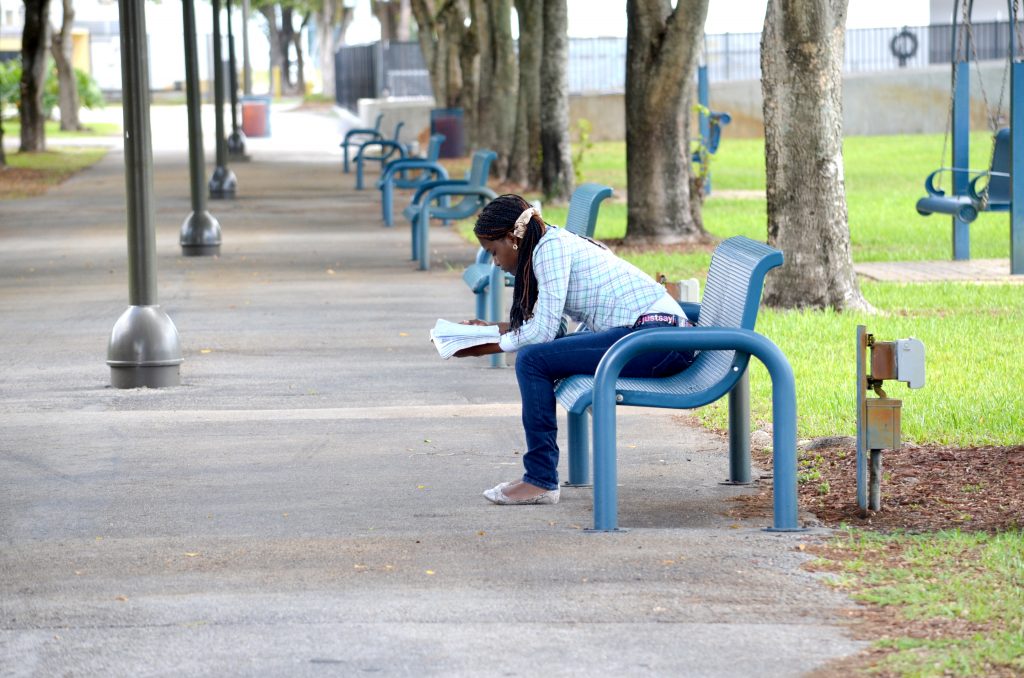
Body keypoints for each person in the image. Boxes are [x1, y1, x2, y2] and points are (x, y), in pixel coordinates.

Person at [453, 194, 695, 505]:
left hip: (655, 341)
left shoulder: (549, 249)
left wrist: (487, 347)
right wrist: (489, 329)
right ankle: (539, 477)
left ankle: (539, 479)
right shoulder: (545, 247)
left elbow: (542, 334)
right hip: (650, 338)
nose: (496, 263)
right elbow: (552, 329)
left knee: (531, 360)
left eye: (493, 252)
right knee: (535, 358)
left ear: (512, 239)